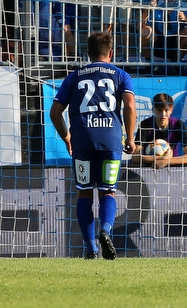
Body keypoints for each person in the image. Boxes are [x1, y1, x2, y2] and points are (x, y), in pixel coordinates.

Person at [49, 30, 137, 260]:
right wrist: (130, 138)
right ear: (111, 53)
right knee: (108, 191)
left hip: (83, 141)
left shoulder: (74, 77)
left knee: (84, 193)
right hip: (110, 140)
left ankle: (90, 248)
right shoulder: (121, 75)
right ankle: (105, 232)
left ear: (87, 53)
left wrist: (66, 137)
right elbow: (129, 105)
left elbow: (55, 112)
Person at [135, 92, 187, 167]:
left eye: (166, 110)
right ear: (153, 109)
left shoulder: (178, 125)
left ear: (171, 110)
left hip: (173, 170)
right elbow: (135, 157)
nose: (163, 114)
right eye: (159, 110)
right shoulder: (145, 125)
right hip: (149, 169)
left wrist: (167, 161)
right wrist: (161, 158)